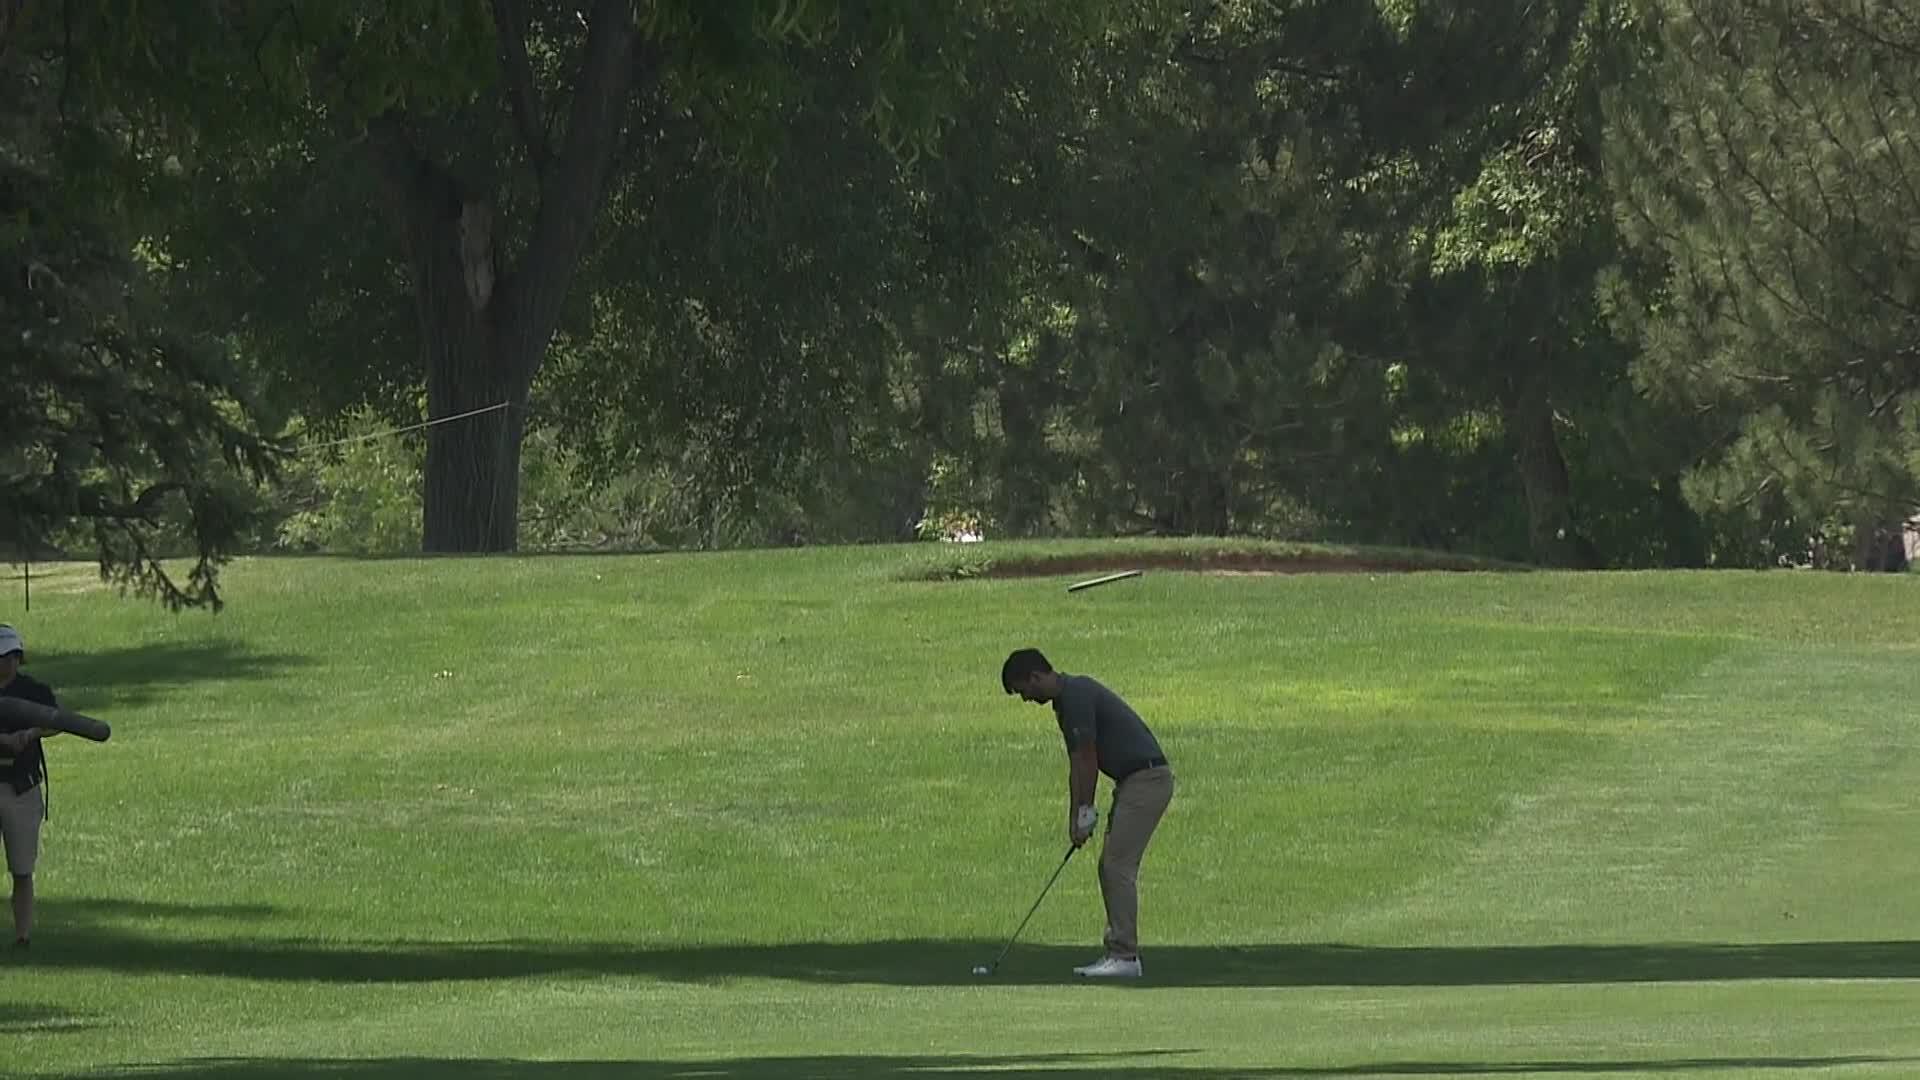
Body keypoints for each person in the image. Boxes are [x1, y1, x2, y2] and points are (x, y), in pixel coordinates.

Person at [1002, 647, 1174, 978]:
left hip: (1147, 779)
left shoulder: (1076, 696)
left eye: (1024, 691)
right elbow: (1076, 765)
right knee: (1110, 866)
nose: (1025, 699)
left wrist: (1085, 811)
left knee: (1116, 866)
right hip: (1134, 781)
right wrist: (1075, 818)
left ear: (1035, 677)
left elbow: (1087, 759)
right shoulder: (1067, 700)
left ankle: (1124, 957)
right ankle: (1121, 952)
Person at [0, 624, 59, 950]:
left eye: (10, 655)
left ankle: (22, 937)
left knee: (22, 869)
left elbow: (56, 722)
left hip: (22, 788)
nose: (6, 662)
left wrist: (30, 734)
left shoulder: (34, 690)